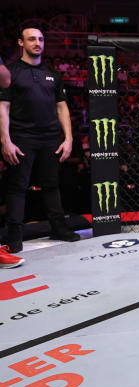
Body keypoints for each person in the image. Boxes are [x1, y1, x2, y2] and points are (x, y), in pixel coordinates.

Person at [0, 27, 82, 252]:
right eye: (31, 39)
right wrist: (5, 141)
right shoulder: (10, 72)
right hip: (22, 136)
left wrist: (69, 139)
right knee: (17, 186)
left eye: (41, 39)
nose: (37, 43)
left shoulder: (53, 74)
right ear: (20, 42)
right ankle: (14, 235)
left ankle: (58, 227)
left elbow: (62, 107)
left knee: (52, 184)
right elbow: (3, 108)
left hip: (50, 138)